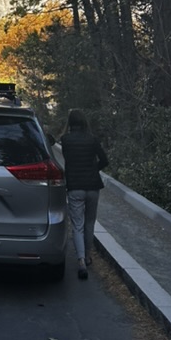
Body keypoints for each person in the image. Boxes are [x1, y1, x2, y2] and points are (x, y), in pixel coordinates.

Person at [60, 108, 109, 280]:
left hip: (75, 187)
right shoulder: (93, 139)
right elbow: (105, 160)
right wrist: (93, 170)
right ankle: (88, 255)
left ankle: (80, 260)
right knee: (89, 223)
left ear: (70, 123)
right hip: (93, 186)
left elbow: (68, 160)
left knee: (78, 225)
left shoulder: (65, 140)